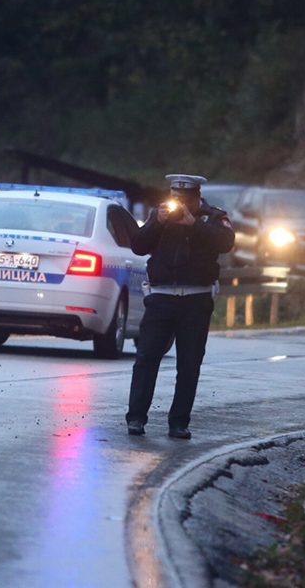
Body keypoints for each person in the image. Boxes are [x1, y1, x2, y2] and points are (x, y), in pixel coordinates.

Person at [125, 174, 236, 439]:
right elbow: (138, 246)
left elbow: (226, 243)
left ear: (197, 198)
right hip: (161, 297)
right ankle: (136, 418)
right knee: (146, 358)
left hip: (196, 299)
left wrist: (194, 225)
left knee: (189, 364)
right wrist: (157, 223)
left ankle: (179, 422)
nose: (181, 206)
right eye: (176, 200)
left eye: (186, 201)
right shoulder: (159, 215)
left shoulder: (213, 217)